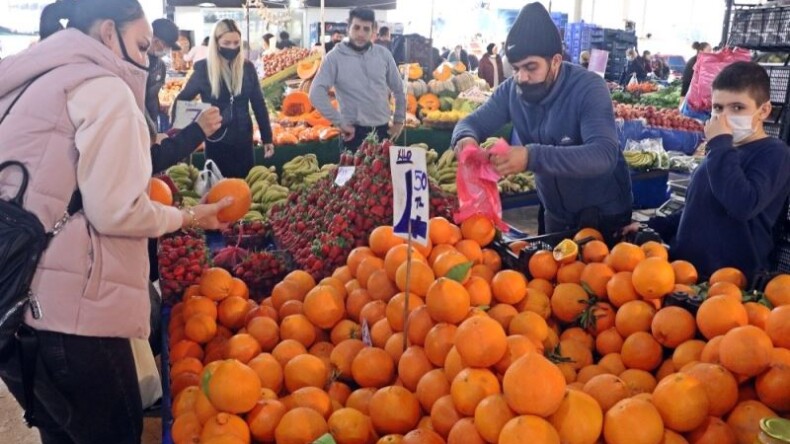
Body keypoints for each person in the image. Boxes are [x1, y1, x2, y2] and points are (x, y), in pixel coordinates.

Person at [0, 0, 233, 442]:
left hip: (13, 300)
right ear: (109, 33)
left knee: (62, 434)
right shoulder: (104, 88)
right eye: (143, 46)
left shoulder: (27, 78)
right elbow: (116, 209)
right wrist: (186, 216)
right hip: (74, 315)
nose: (148, 59)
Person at [452, 2, 632, 239]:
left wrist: (531, 156)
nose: (522, 77)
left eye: (531, 67)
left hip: (603, 214)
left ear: (556, 61)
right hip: (555, 213)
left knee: (596, 275)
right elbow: (471, 123)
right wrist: (465, 140)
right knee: (546, 273)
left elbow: (603, 155)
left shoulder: (589, 88)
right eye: (515, 68)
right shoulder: (511, 91)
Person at [627, 62, 790, 282]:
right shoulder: (719, 153)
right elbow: (698, 209)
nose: (724, 117)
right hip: (685, 275)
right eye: (718, 108)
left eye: (738, 108)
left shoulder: (774, 153)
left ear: (764, 111)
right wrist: (655, 226)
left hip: (728, 286)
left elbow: (743, 204)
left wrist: (720, 143)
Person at [174, 19, 275, 178]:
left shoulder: (247, 68)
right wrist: (183, 141)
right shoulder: (204, 70)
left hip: (244, 141)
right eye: (226, 43)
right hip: (216, 141)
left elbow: (259, 104)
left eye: (236, 43)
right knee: (218, 190)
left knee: (244, 189)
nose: (232, 47)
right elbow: (181, 101)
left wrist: (267, 137)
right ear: (216, 42)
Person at [309, 7, 406, 151]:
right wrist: (339, 122)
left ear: (373, 31)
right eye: (357, 27)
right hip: (352, 133)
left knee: (383, 173)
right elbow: (315, 93)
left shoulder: (384, 55)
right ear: (348, 28)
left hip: (382, 131)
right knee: (352, 173)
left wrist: (398, 121)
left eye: (366, 29)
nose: (361, 33)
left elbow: (398, 89)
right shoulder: (335, 57)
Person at [146, 19, 181, 125]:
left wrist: (158, 106)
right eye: (167, 46)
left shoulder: (160, 65)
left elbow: (152, 94)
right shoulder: (137, 62)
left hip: (152, 120)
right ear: (155, 40)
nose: (168, 50)